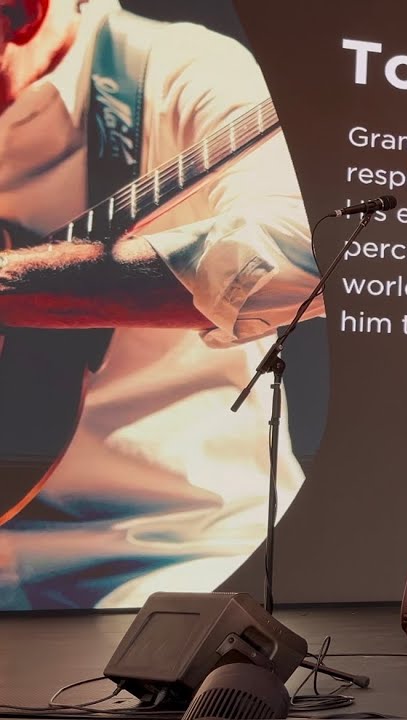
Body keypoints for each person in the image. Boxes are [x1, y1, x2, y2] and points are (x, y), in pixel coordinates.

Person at [0, 0, 319, 610]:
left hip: (179, 559)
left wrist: (16, 285)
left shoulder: (185, 72)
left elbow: (299, 247)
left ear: (24, 12)